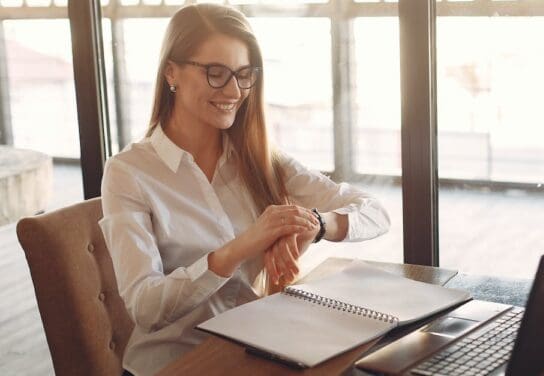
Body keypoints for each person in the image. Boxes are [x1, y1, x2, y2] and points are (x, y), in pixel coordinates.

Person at [98, 4, 390, 375]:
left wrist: (315, 224)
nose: (234, 90)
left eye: (243, 74)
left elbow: (374, 211)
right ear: (172, 72)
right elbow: (146, 307)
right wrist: (243, 246)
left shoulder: (259, 159)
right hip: (175, 365)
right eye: (216, 73)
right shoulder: (128, 172)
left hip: (255, 350)